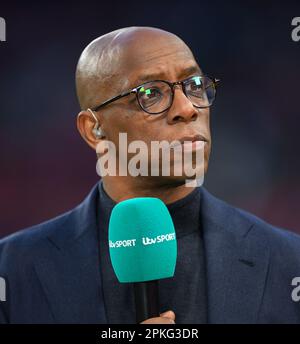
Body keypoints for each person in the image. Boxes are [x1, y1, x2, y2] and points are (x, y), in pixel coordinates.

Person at [0, 26, 300, 324]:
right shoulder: (12, 270)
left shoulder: (289, 262)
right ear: (94, 129)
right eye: (151, 93)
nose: (187, 108)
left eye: (194, 84)